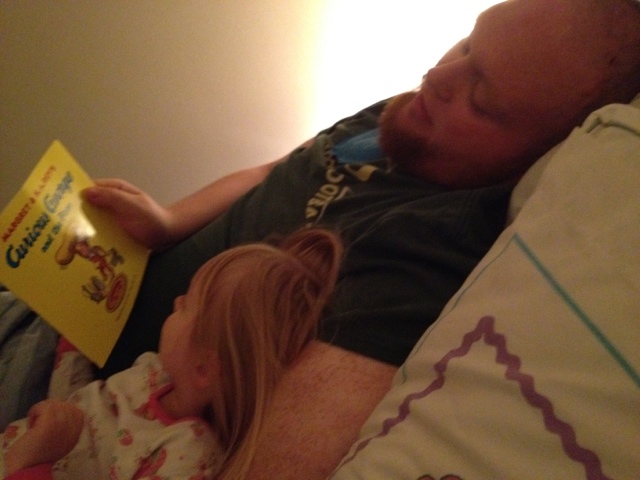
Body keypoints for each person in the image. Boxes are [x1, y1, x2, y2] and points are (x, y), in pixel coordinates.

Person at [74, 0, 640, 478]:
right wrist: (168, 220)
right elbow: (274, 170)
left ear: (533, 160)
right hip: (94, 289)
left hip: (100, 403)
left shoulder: (428, 246)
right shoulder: (407, 115)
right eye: (468, 44)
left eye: (481, 98)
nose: (437, 77)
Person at [1, 228, 343, 480]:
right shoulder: (152, 372)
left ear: (204, 368)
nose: (176, 301)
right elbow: (78, 410)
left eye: (188, 304)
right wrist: (71, 350)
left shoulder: (186, 456)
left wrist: (32, 460)